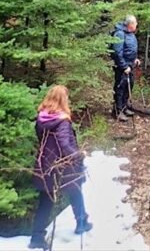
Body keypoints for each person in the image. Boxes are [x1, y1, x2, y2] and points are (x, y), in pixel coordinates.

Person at [29, 85, 91, 249]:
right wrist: (79, 154)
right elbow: (65, 144)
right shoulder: (62, 120)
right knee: (75, 190)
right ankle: (82, 222)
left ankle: (36, 237)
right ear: (63, 100)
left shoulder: (41, 118)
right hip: (63, 166)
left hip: (45, 165)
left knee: (45, 202)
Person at [110, 15, 140, 122]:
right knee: (120, 88)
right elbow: (117, 52)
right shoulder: (120, 34)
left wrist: (135, 59)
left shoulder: (130, 34)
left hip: (130, 65)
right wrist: (123, 66)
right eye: (135, 23)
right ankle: (117, 111)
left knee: (129, 86)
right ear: (130, 24)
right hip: (122, 67)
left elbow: (130, 49)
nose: (136, 24)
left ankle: (124, 107)